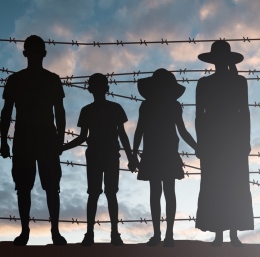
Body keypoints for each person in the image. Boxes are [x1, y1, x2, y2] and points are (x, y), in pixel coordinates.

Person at [0, 35, 67, 246]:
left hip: (38, 138)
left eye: (37, 50)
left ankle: (48, 231)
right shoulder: (29, 80)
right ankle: (30, 231)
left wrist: (60, 139)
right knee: (26, 187)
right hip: (31, 138)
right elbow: (6, 112)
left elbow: (60, 111)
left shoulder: (25, 79)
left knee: (47, 187)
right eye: (34, 50)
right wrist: (3, 140)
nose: (36, 54)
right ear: (28, 53)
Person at [62, 73, 133, 246]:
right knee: (108, 194)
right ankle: (110, 234)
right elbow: (121, 135)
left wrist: (62, 148)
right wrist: (131, 157)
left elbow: (82, 138)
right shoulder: (113, 108)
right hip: (105, 154)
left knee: (97, 194)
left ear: (90, 89)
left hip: (98, 154)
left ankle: (92, 234)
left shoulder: (88, 110)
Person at [195, 40, 254, 247]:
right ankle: (225, 234)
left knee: (225, 184)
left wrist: (245, 139)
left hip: (226, 140)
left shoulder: (229, 82)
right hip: (223, 140)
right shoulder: (236, 82)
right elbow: (199, 115)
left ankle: (228, 233)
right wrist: (201, 142)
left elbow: (244, 111)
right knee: (225, 184)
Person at [131, 68, 197, 247]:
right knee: (167, 192)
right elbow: (181, 131)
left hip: (156, 152)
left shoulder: (149, 105)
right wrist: (197, 147)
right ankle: (166, 235)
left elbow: (140, 130)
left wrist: (133, 154)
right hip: (165, 152)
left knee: (158, 193)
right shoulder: (171, 105)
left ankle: (161, 234)